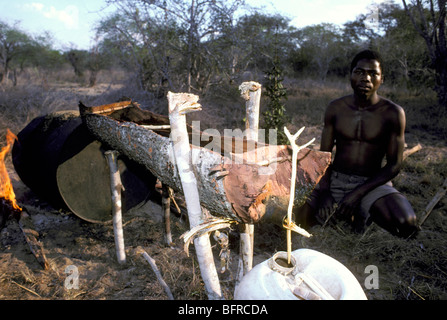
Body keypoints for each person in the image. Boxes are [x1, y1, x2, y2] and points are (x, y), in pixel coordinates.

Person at [298, 49, 418, 238]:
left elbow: (395, 165)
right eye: (360, 72)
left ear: (382, 78)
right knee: (297, 219)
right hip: (336, 179)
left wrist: (356, 194)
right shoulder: (336, 108)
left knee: (405, 222)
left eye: (373, 73)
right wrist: (326, 193)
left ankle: (361, 214)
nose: (366, 78)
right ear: (351, 75)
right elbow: (323, 157)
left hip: (373, 183)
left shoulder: (393, 113)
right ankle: (346, 218)